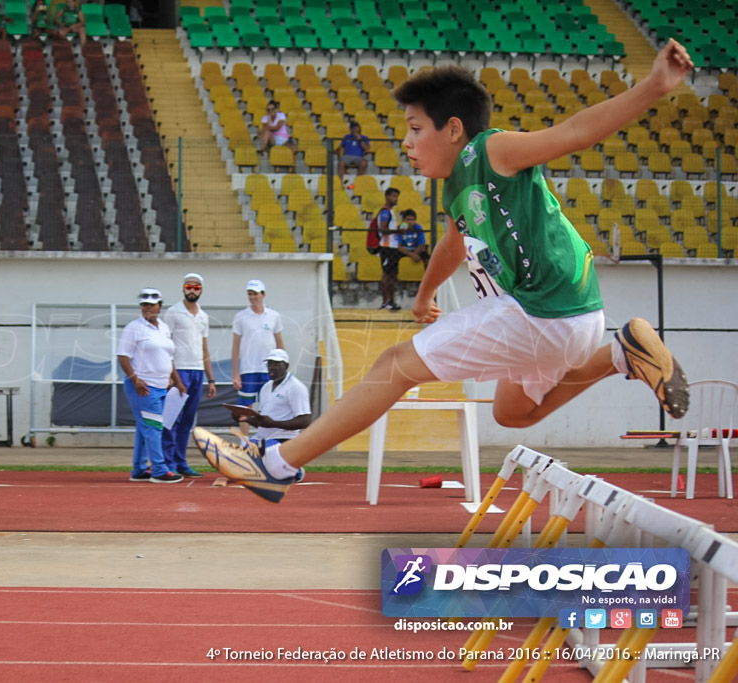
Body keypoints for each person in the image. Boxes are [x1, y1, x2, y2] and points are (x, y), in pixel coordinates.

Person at [195, 40, 694, 504]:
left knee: (393, 366)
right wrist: (424, 293)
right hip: (574, 321)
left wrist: (653, 86)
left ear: (453, 129)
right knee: (511, 413)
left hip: (540, 309)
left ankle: (276, 465)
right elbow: (453, 243)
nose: (406, 142)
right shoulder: (459, 189)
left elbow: (572, 133)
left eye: (416, 129)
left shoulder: (490, 151)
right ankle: (619, 354)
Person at [117, 288, 185, 484]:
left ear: (159, 306)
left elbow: (168, 357)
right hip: (144, 387)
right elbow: (123, 356)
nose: (147, 308)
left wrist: (177, 381)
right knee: (154, 427)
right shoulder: (134, 327)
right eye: (144, 304)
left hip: (162, 386)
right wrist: (134, 378)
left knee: (144, 428)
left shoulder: (163, 327)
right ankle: (159, 469)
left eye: (151, 304)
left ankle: (138, 469)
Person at [161, 273, 217, 478]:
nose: (192, 290)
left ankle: (181, 460)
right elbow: (167, 345)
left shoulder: (203, 316)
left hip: (197, 371)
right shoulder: (173, 313)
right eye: (188, 286)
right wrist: (171, 374)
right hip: (180, 370)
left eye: (196, 287)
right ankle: (169, 462)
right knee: (172, 418)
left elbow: (205, 348)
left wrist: (211, 379)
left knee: (187, 420)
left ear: (201, 290)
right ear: (183, 288)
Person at [231, 279, 284, 416]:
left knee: (269, 404)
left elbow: (280, 343)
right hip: (248, 369)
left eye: (255, 294)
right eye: (250, 294)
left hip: (268, 369)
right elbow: (235, 346)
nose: (252, 297)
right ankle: (244, 437)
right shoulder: (240, 317)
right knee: (245, 406)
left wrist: (282, 368)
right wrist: (235, 373)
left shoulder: (273, 316)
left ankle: (265, 436)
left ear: (263, 294)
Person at [375, 187, 404, 311]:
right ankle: (385, 301)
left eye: (396, 196)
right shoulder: (385, 212)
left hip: (392, 246)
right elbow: (382, 228)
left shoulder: (391, 212)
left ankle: (391, 301)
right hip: (387, 247)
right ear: (387, 197)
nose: (395, 199)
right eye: (393, 196)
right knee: (387, 274)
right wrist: (397, 230)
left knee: (392, 274)